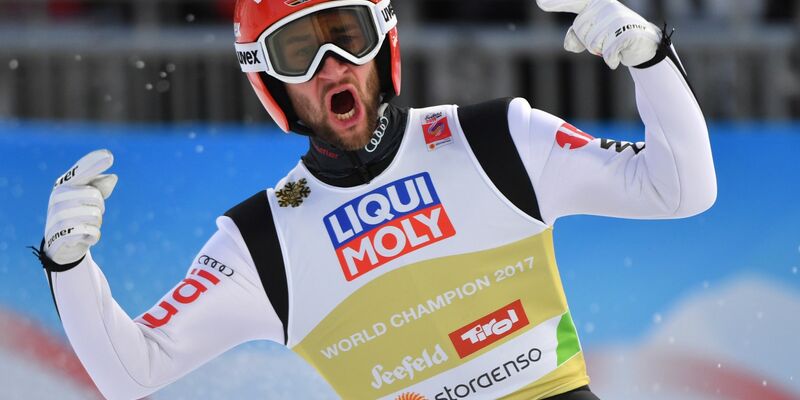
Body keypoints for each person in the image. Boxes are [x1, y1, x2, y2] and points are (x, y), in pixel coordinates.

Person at [35, 0, 716, 399]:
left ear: (383, 42)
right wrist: (68, 269)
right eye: (297, 49)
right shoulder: (260, 243)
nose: (329, 66)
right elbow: (129, 373)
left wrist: (650, 59)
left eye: (345, 36)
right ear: (269, 82)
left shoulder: (495, 139)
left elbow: (681, 190)